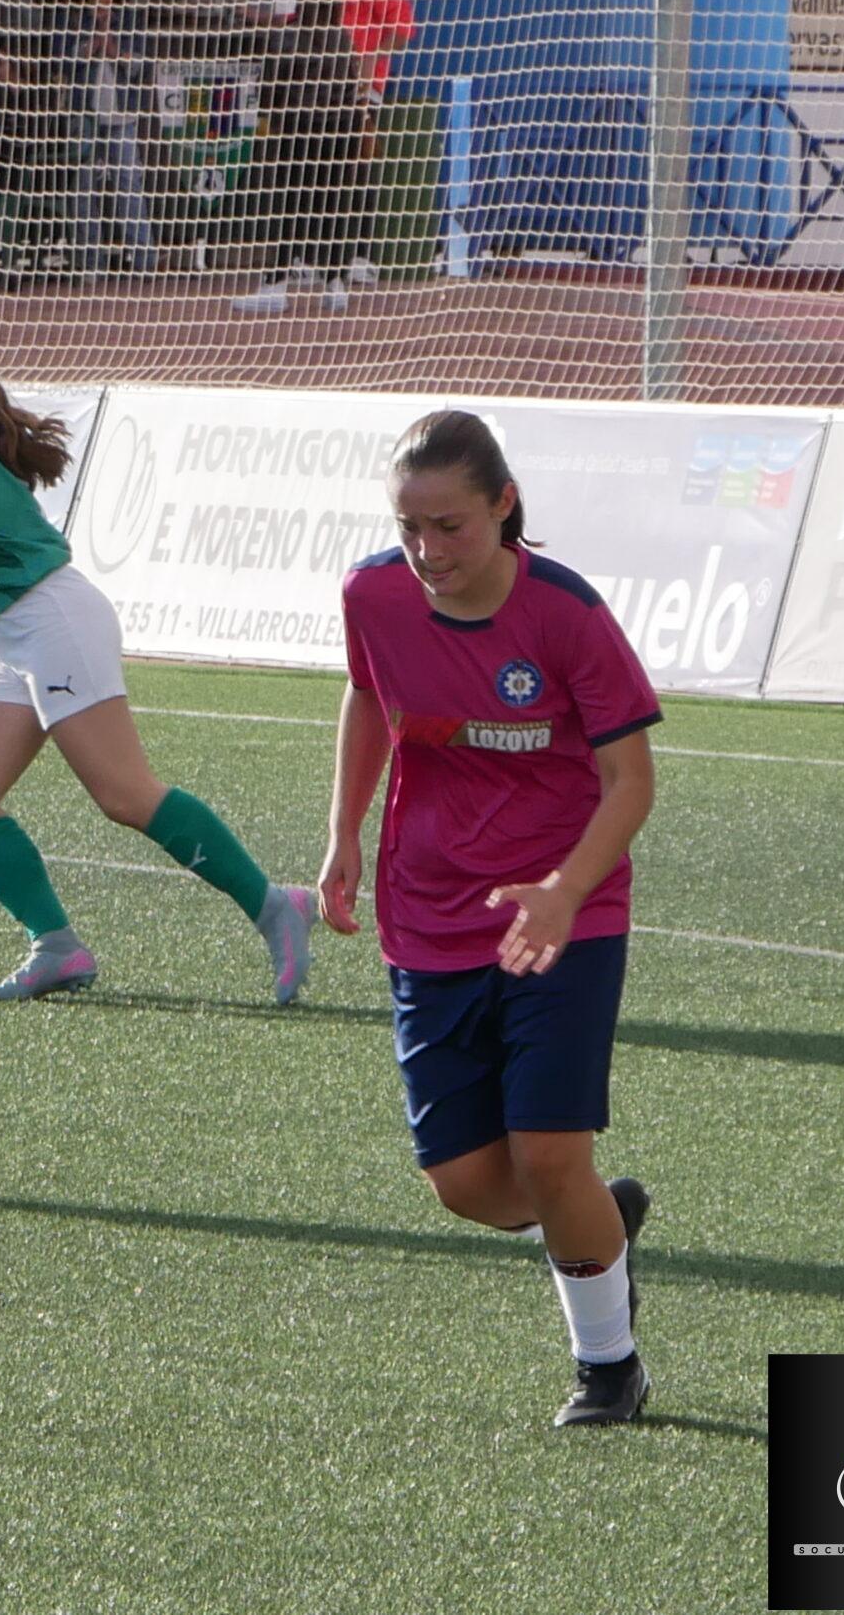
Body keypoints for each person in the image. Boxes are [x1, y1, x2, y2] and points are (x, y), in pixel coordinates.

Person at [320, 410, 659, 1429]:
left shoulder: (567, 615)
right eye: (409, 525)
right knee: (466, 1184)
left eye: (450, 526)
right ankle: (599, 1222)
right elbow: (366, 697)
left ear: (503, 506)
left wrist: (563, 887)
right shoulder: (372, 594)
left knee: (551, 1152)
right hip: (429, 912)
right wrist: (342, 832)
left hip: (569, 912)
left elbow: (629, 779)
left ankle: (607, 1362)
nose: (426, 550)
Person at [0, 304, 318, 1003]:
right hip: (30, 626)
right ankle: (57, 946)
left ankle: (274, 905)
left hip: (50, 620)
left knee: (126, 794)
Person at [230, 0, 362, 316]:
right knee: (331, 207)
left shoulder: (290, 37)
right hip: (339, 132)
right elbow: (353, 86)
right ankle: (335, 284)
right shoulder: (342, 39)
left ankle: (276, 284)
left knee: (290, 208)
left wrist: (270, 122)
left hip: (299, 131)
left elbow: (271, 88)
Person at [319, 0, 416, 287]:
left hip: (360, 89)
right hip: (322, 87)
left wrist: (368, 66)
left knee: (356, 169)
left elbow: (403, 30)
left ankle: (360, 254)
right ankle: (322, 255)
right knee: (323, 172)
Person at [73, 0, 159, 275]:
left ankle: (144, 262)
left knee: (129, 186)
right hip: (84, 118)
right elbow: (63, 59)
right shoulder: (76, 21)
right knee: (83, 190)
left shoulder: (129, 21)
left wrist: (111, 48)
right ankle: (90, 264)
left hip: (122, 117)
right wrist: (93, 43)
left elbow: (139, 65)